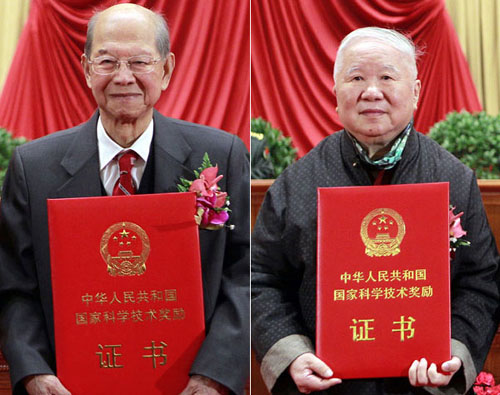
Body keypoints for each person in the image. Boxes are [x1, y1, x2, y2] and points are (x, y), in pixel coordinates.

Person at [0, 4, 249, 395]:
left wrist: (213, 375)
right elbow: (14, 287)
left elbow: (244, 275)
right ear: (85, 69)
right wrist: (35, 373)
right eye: (107, 62)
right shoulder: (34, 169)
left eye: (139, 62)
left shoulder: (221, 155)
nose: (123, 77)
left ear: (166, 70)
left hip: (188, 384)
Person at [251, 27, 499, 394]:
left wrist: (454, 352)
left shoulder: (452, 179)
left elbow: (482, 281)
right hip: (327, 384)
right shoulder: (297, 182)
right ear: (335, 94)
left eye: (386, 77)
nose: (371, 91)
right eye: (356, 78)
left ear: (415, 92)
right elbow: (260, 278)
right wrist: (292, 353)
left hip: (422, 384)